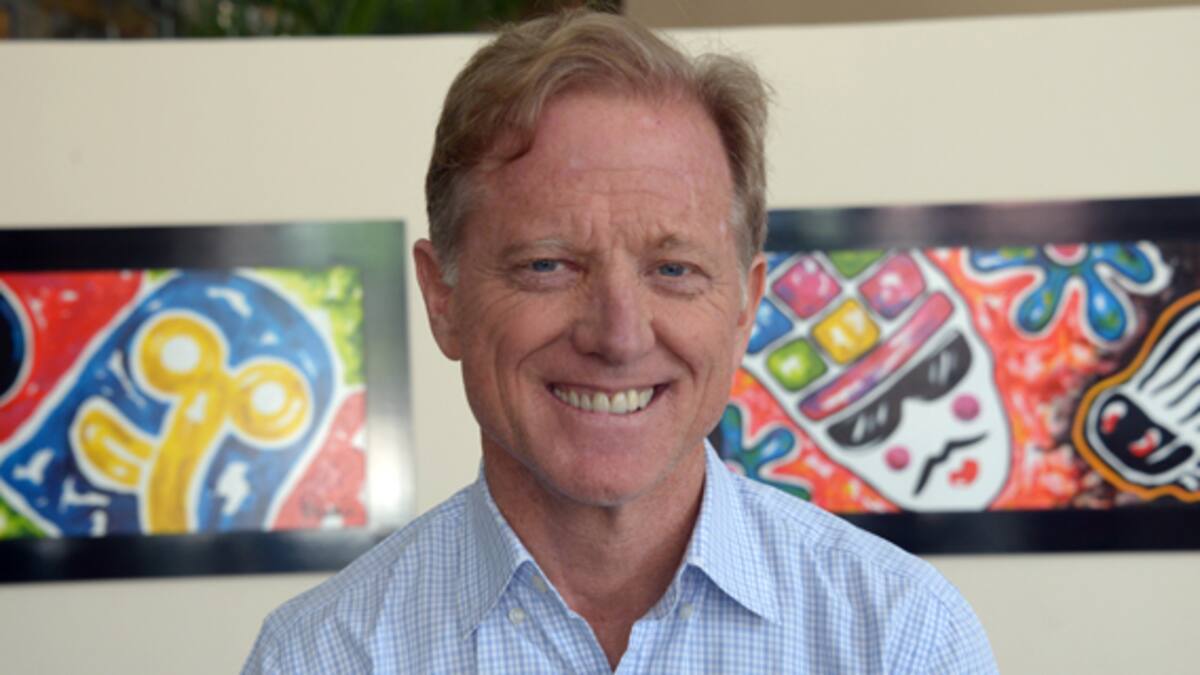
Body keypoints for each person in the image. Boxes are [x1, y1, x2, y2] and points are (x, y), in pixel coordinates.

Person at [243, 9, 997, 674]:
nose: (619, 335)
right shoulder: (318, 658)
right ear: (444, 298)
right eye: (548, 265)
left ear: (744, 309)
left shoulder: (902, 641)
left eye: (674, 269)